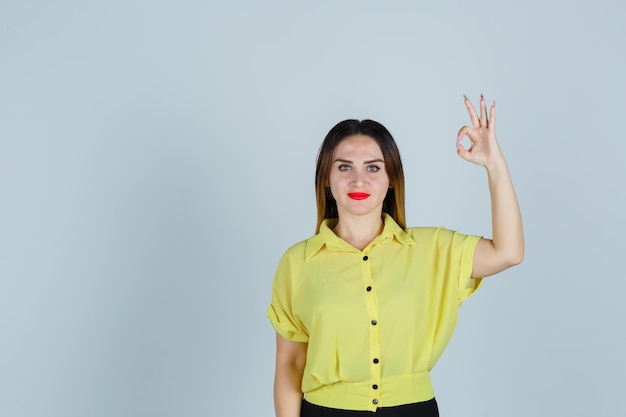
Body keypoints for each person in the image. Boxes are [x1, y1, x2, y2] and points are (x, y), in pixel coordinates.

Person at [266, 96, 524, 416]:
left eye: (373, 167)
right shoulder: (297, 262)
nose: (358, 180)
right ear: (326, 179)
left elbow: (509, 252)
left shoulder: (432, 249)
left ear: (390, 180)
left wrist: (495, 165)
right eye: (344, 167)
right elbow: (290, 364)